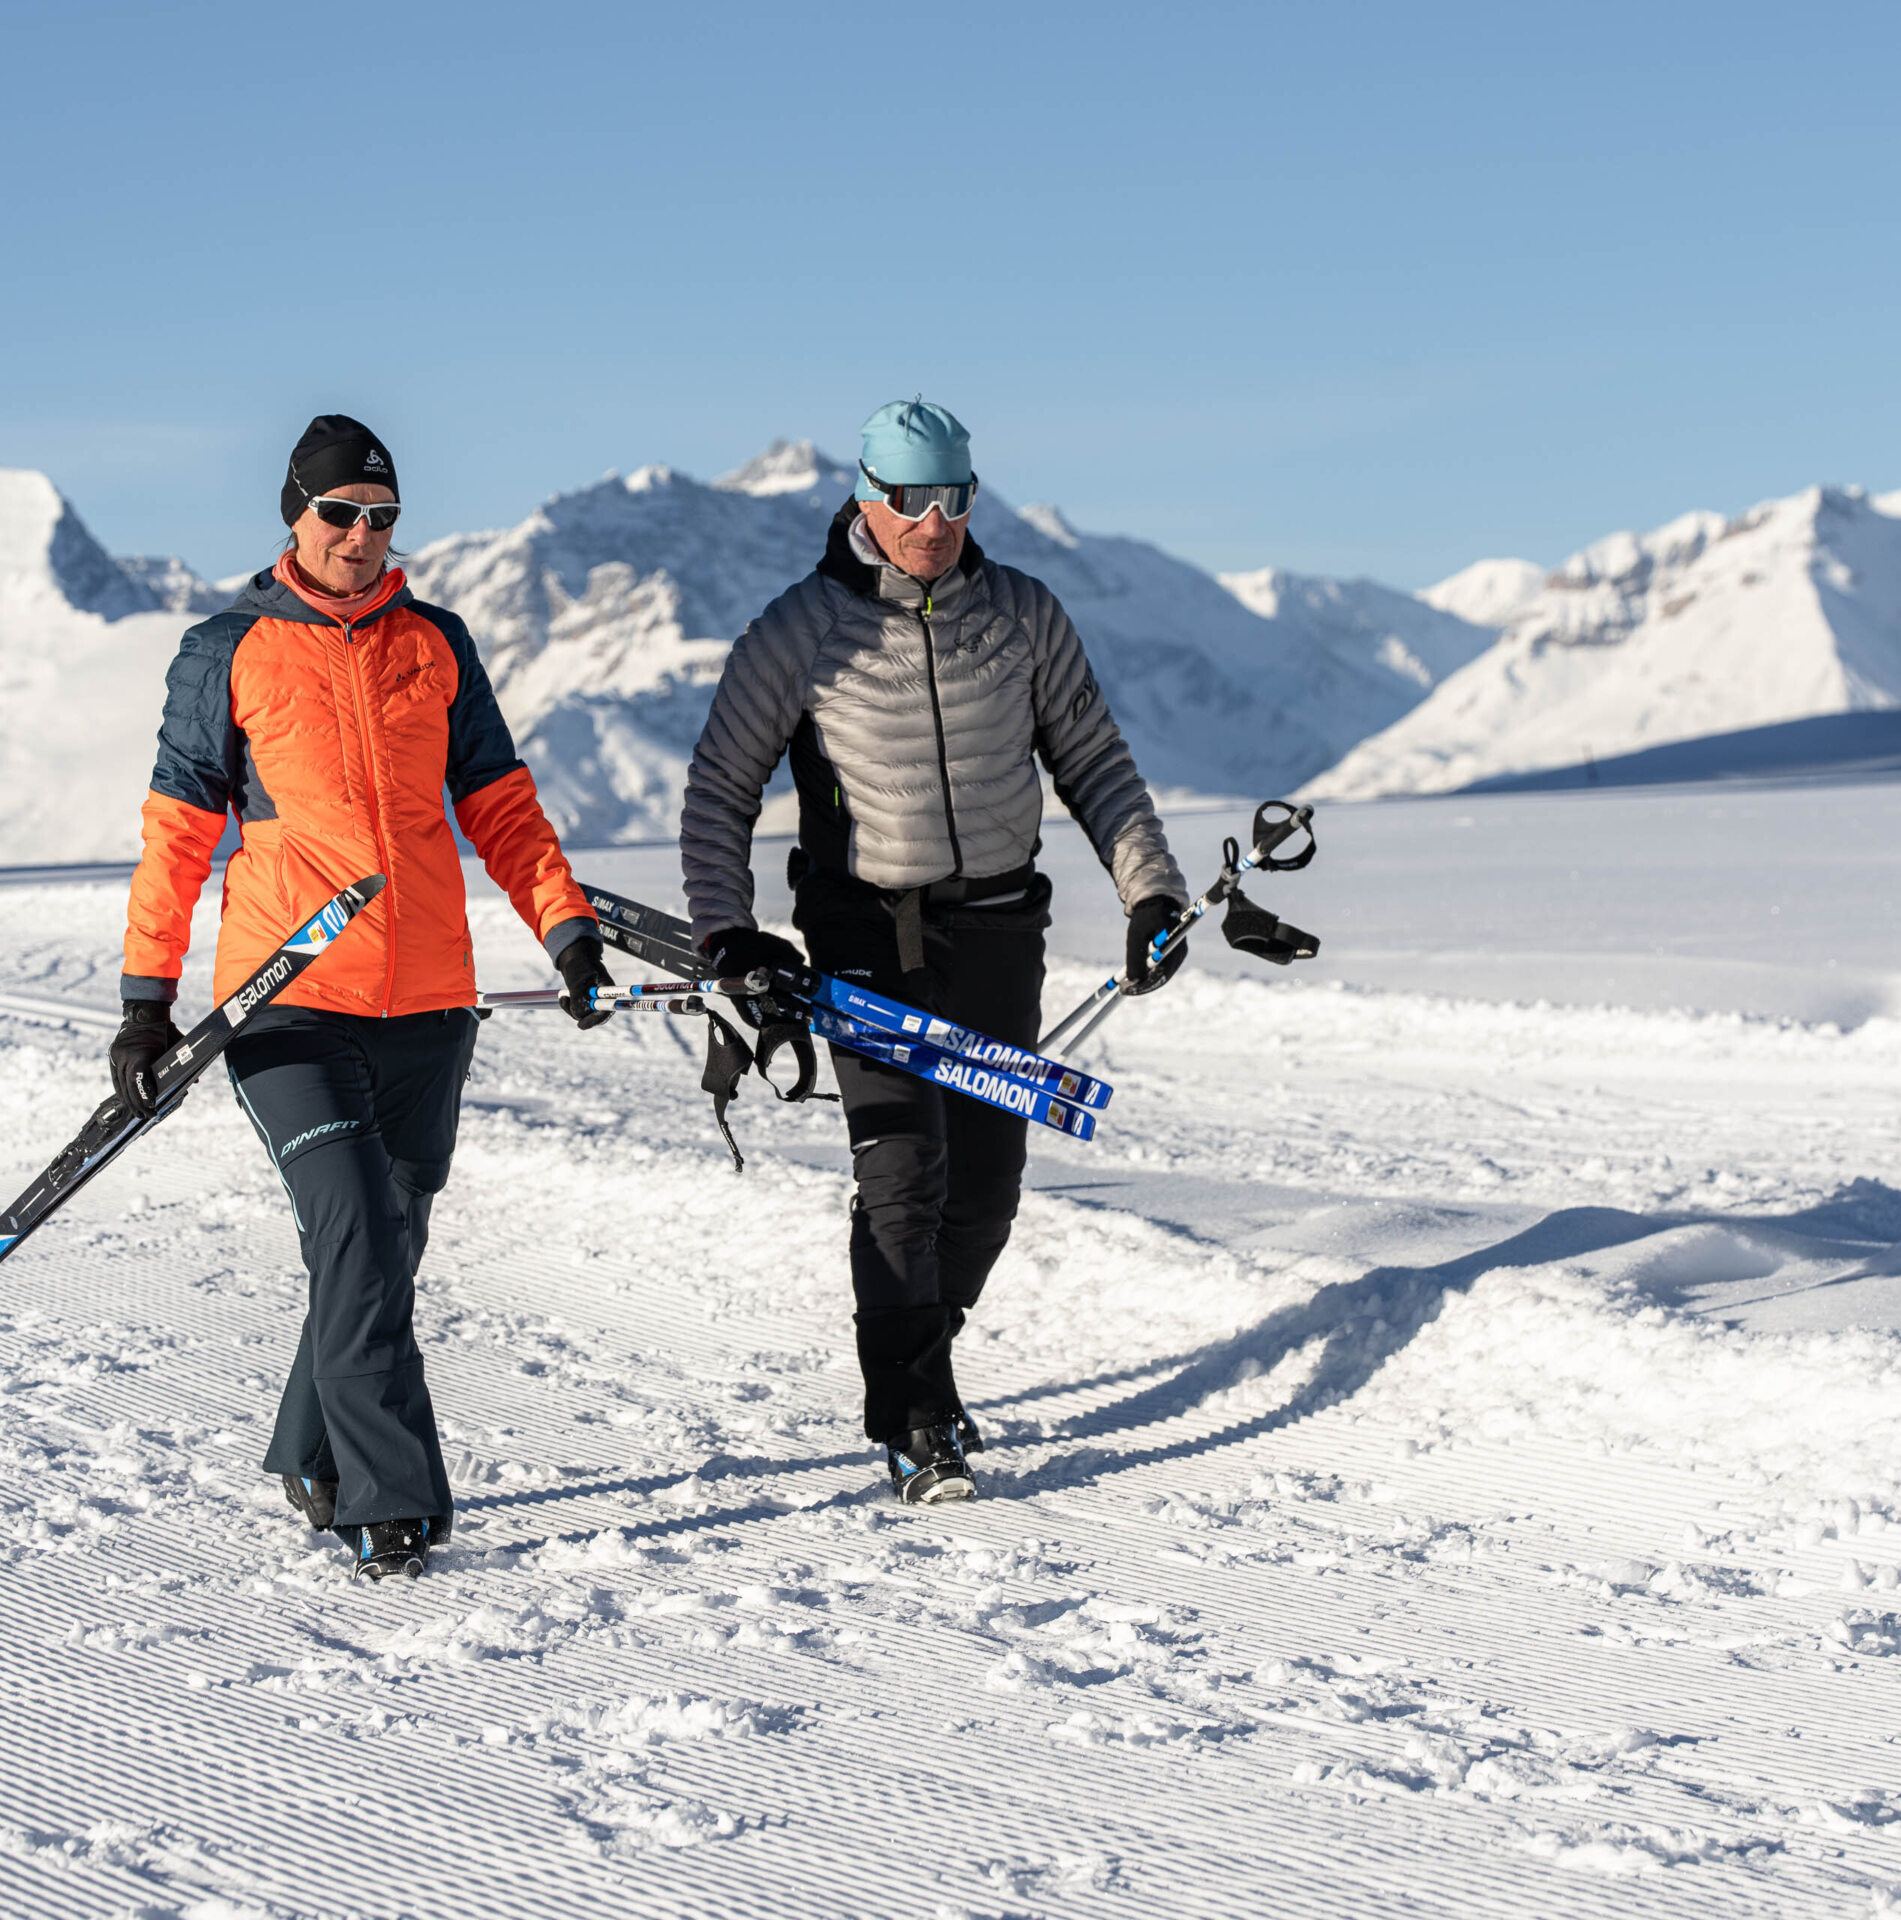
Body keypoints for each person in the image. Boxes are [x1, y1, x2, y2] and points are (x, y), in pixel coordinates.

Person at [110, 414, 614, 1580]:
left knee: (383, 1249)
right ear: (295, 512)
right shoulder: (227, 647)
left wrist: (569, 930)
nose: (360, 535)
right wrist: (147, 998)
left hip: (430, 1003)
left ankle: (309, 1452)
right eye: (340, 513)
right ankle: (393, 1500)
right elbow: (177, 838)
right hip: (286, 1002)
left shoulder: (435, 643)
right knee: (358, 1234)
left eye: (381, 518)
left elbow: (501, 805)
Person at [681, 399, 1188, 1504]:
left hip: (1001, 927)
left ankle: (927, 1356)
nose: (935, 521)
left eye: (955, 497)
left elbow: (1095, 759)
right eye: (912, 499)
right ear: (868, 495)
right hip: (867, 933)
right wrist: (726, 932)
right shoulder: (799, 630)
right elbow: (720, 791)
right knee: (903, 1174)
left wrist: (1151, 890)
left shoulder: (1022, 614)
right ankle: (915, 1421)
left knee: (988, 1189)